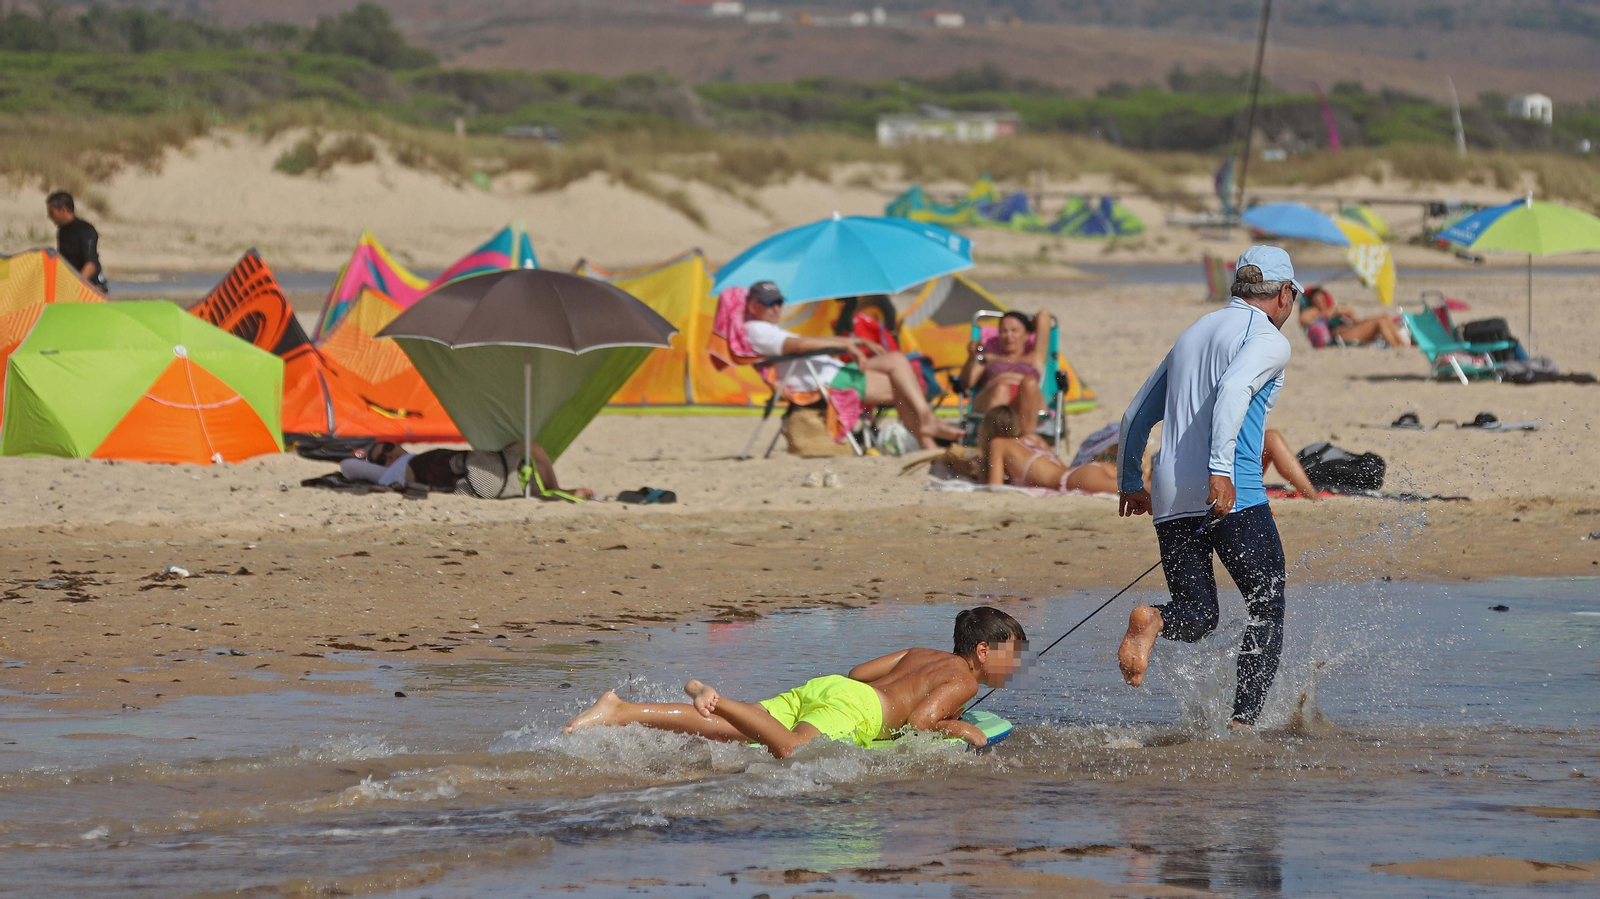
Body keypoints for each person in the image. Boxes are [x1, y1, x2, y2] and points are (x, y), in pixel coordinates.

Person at [1113, 246, 1298, 730]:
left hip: (1171, 494)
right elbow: (1235, 389)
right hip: (1232, 492)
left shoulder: (1193, 332)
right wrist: (1220, 470)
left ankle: (1153, 618)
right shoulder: (1270, 339)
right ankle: (1242, 726)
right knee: (1266, 606)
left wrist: (1131, 481)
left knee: (1195, 615)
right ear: (1283, 294)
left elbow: (1135, 415)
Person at [564, 606, 1027, 757]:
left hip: (830, 689)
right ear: (984, 652)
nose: (1017, 665)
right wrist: (962, 728)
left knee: (737, 733)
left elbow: (858, 674)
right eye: (1013, 655)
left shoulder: (924, 653)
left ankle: (620, 709)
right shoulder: (965, 680)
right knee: (791, 749)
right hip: (857, 711)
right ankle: (716, 698)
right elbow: (925, 720)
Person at [741, 281, 964, 450]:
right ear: (753, 306)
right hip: (825, 381)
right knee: (901, 381)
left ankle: (927, 434)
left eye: (780, 302)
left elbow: (805, 343)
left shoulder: (769, 330)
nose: (776, 308)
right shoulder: (757, 330)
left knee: (898, 365)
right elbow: (800, 345)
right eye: (770, 303)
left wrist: (855, 341)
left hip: (832, 371)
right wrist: (849, 343)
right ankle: (927, 431)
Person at [340, 440, 592, 499]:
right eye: (380, 458)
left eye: (388, 447)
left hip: (482, 469)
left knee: (530, 449)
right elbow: (348, 467)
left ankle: (557, 491)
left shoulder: (413, 455)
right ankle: (557, 492)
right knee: (527, 451)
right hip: (460, 474)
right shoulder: (390, 472)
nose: (388, 455)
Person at [959, 309, 1053, 446]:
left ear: (1027, 335)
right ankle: (993, 445)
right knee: (1002, 389)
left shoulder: (1035, 357)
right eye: (1004, 331)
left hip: (1025, 399)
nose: (1009, 336)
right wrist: (970, 358)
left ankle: (1027, 441)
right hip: (993, 396)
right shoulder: (988, 357)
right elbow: (969, 382)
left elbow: (1044, 315)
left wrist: (1026, 322)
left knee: (1029, 383)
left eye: (1015, 331)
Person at [977, 405, 1118, 494]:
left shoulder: (998, 444)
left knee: (1133, 489)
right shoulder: (1032, 439)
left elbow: (995, 487)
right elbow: (1060, 465)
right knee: (1136, 484)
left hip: (1073, 479)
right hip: (1081, 472)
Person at [1299, 286, 1405, 348]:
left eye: (1322, 300)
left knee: (1385, 317)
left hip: (1352, 327)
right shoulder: (1314, 312)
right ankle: (1396, 347)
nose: (1320, 303)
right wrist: (1322, 313)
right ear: (1312, 303)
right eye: (1317, 301)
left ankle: (1402, 345)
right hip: (1341, 335)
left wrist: (1334, 310)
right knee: (1380, 322)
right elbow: (1303, 319)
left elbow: (1351, 313)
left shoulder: (1331, 309)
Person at [46, 191, 107, 293]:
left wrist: (74, 289)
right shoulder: (62, 231)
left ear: (63, 210)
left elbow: (91, 265)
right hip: (75, 287)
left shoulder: (86, 230)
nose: (49, 216)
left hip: (94, 288)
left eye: (51, 213)